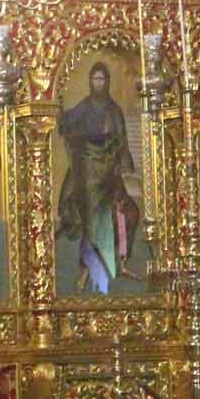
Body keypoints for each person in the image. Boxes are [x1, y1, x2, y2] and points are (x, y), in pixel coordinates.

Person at [58, 60, 140, 293]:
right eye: (95, 79)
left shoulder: (114, 110)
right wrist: (60, 110)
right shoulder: (85, 107)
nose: (98, 83)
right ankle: (85, 273)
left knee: (129, 213)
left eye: (102, 79)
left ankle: (122, 261)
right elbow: (67, 123)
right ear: (90, 82)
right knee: (94, 224)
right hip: (90, 174)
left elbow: (122, 141)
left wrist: (125, 166)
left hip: (110, 174)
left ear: (107, 82)